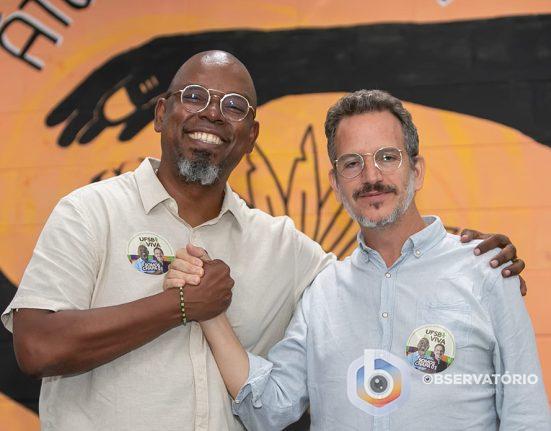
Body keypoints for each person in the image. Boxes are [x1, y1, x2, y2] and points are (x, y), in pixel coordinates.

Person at [1, 51, 524, 431]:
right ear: (161, 113)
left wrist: (455, 254)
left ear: (250, 136)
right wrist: (180, 305)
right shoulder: (90, 212)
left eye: (234, 106)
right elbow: (37, 346)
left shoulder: (285, 249)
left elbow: (379, 275)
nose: (212, 114)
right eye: (195, 97)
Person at [181, 90, 550, 430]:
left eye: (388, 157)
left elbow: (527, 415)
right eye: (352, 163)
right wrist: (210, 312)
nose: (371, 176)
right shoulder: (323, 291)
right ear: (335, 183)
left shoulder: (486, 270)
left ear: (416, 171)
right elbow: (270, 408)